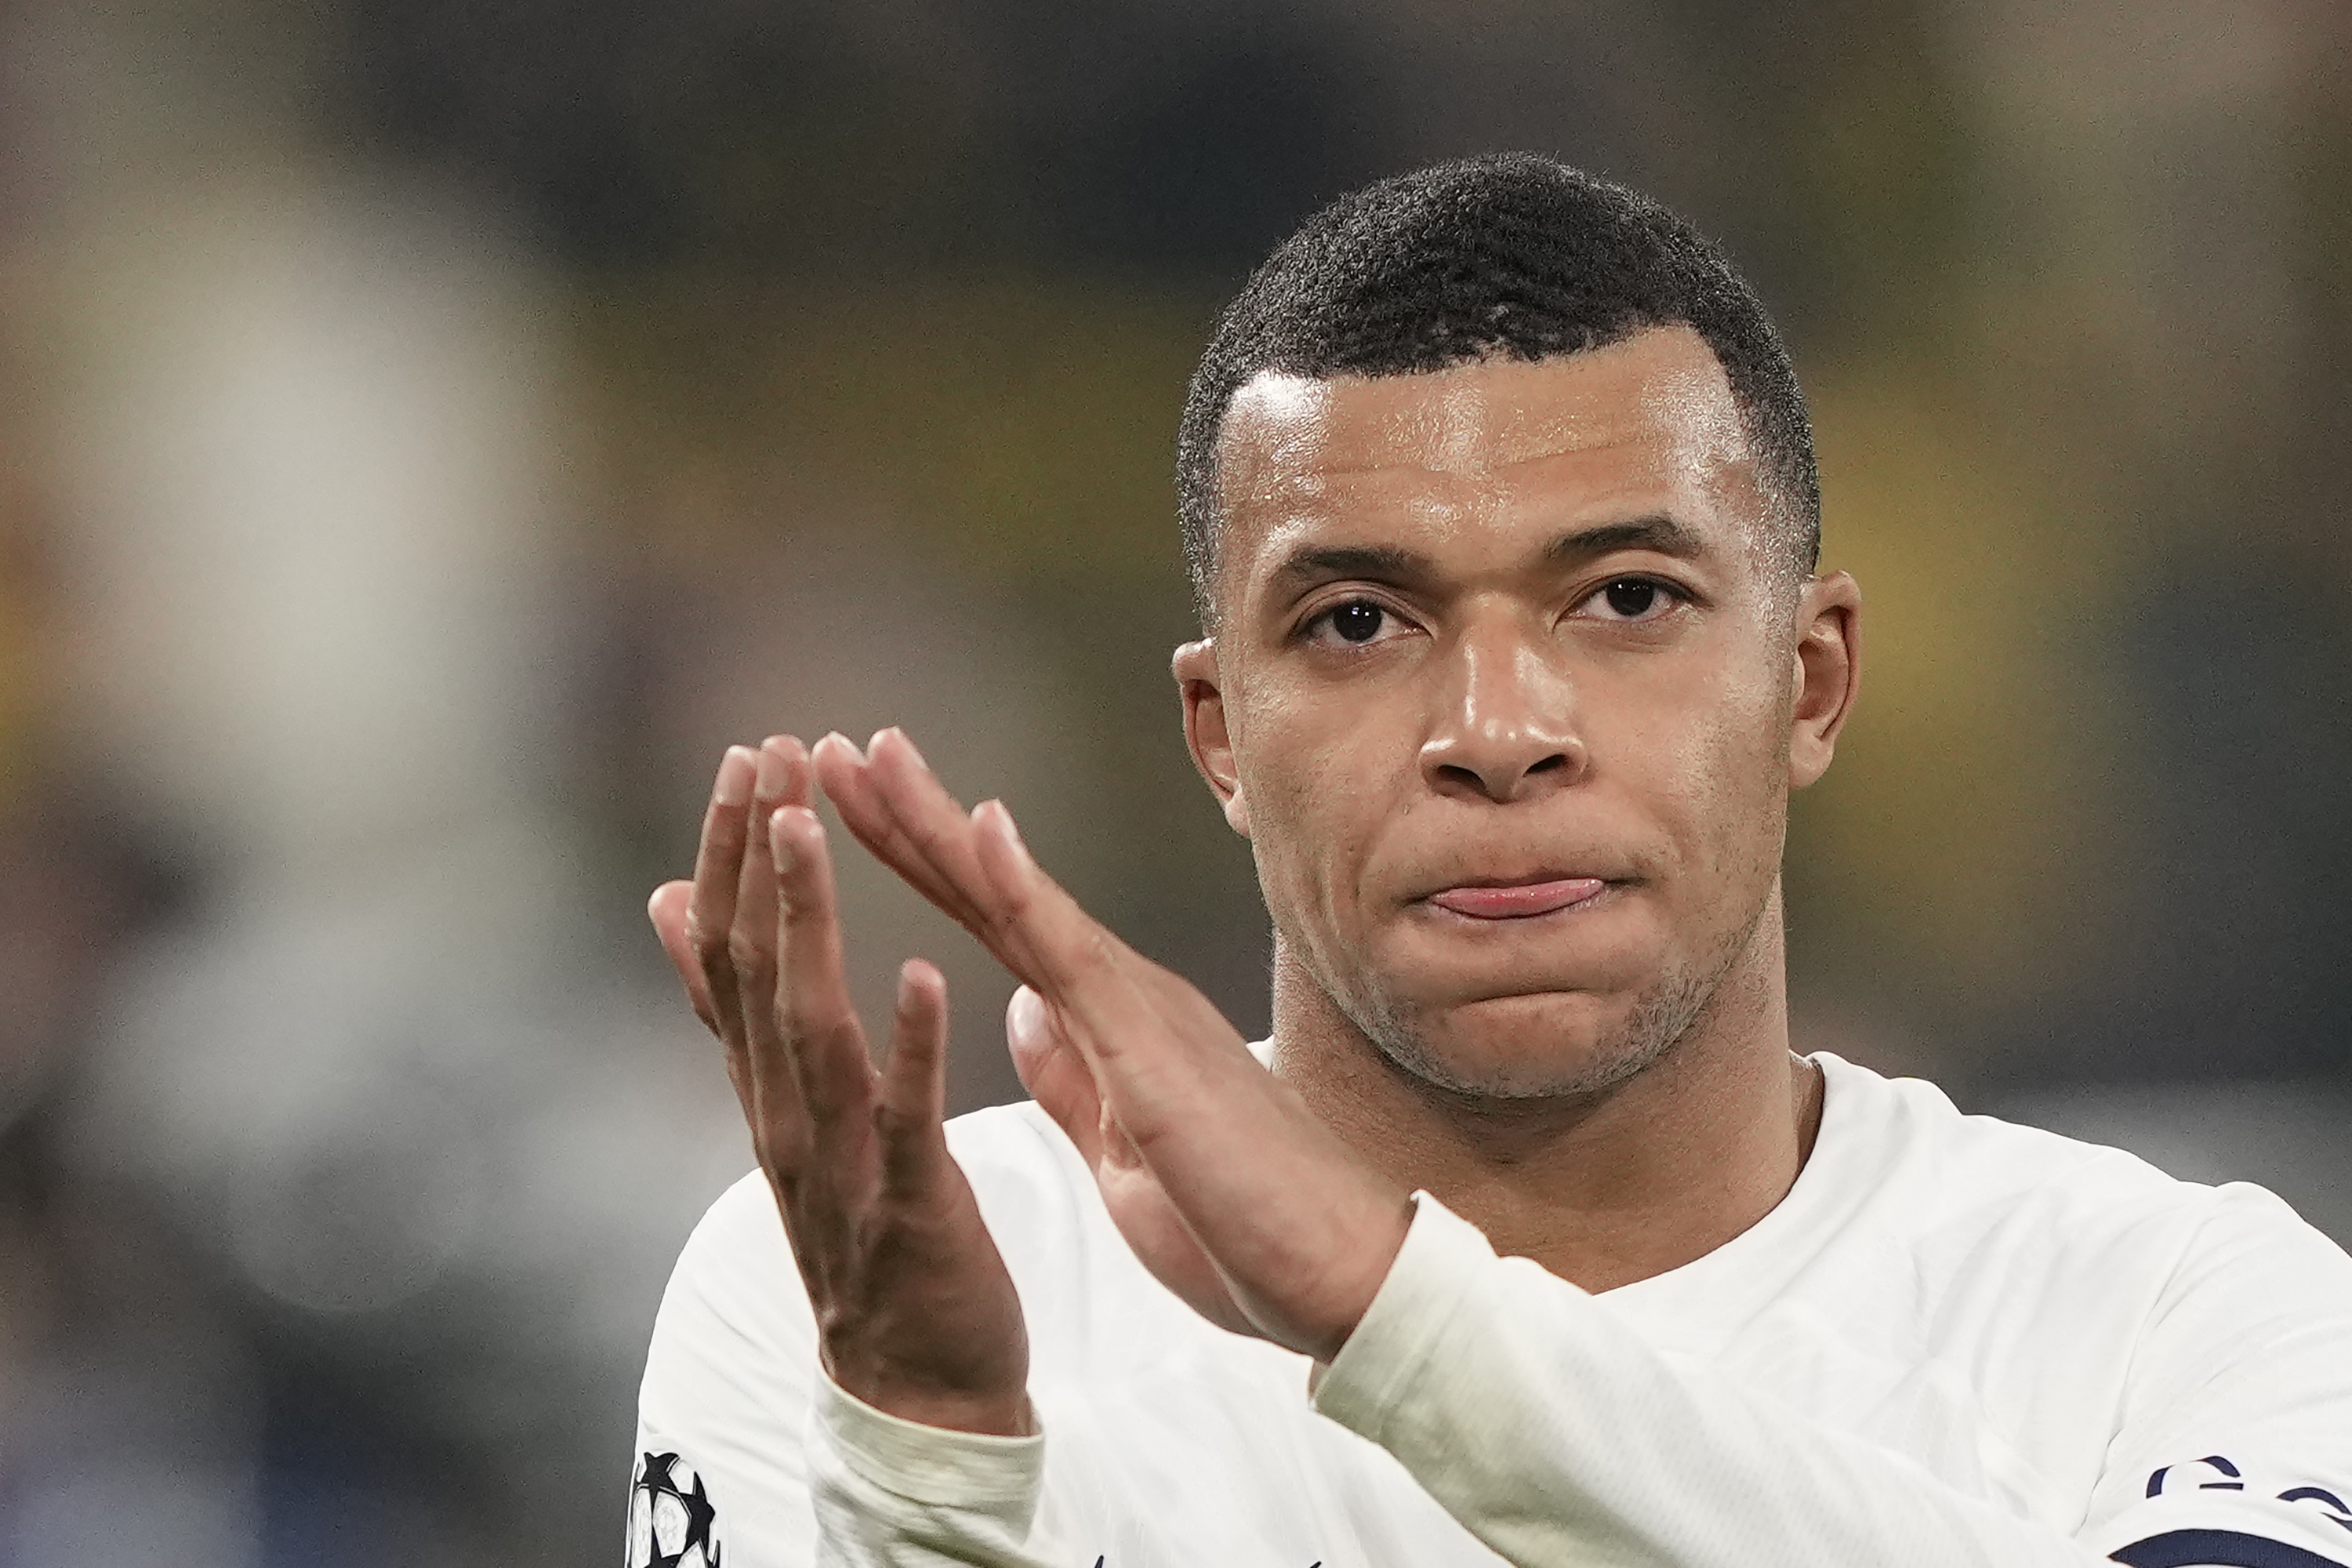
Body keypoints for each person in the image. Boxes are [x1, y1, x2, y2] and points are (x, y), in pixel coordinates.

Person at [627, 154, 2352, 1568]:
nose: (1499, 726)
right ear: (1220, 735)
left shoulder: (2173, 1312)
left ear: (1809, 681)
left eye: (1627, 600)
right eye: (1360, 618)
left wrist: (1403, 1318)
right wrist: (925, 1476)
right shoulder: (888, 1280)